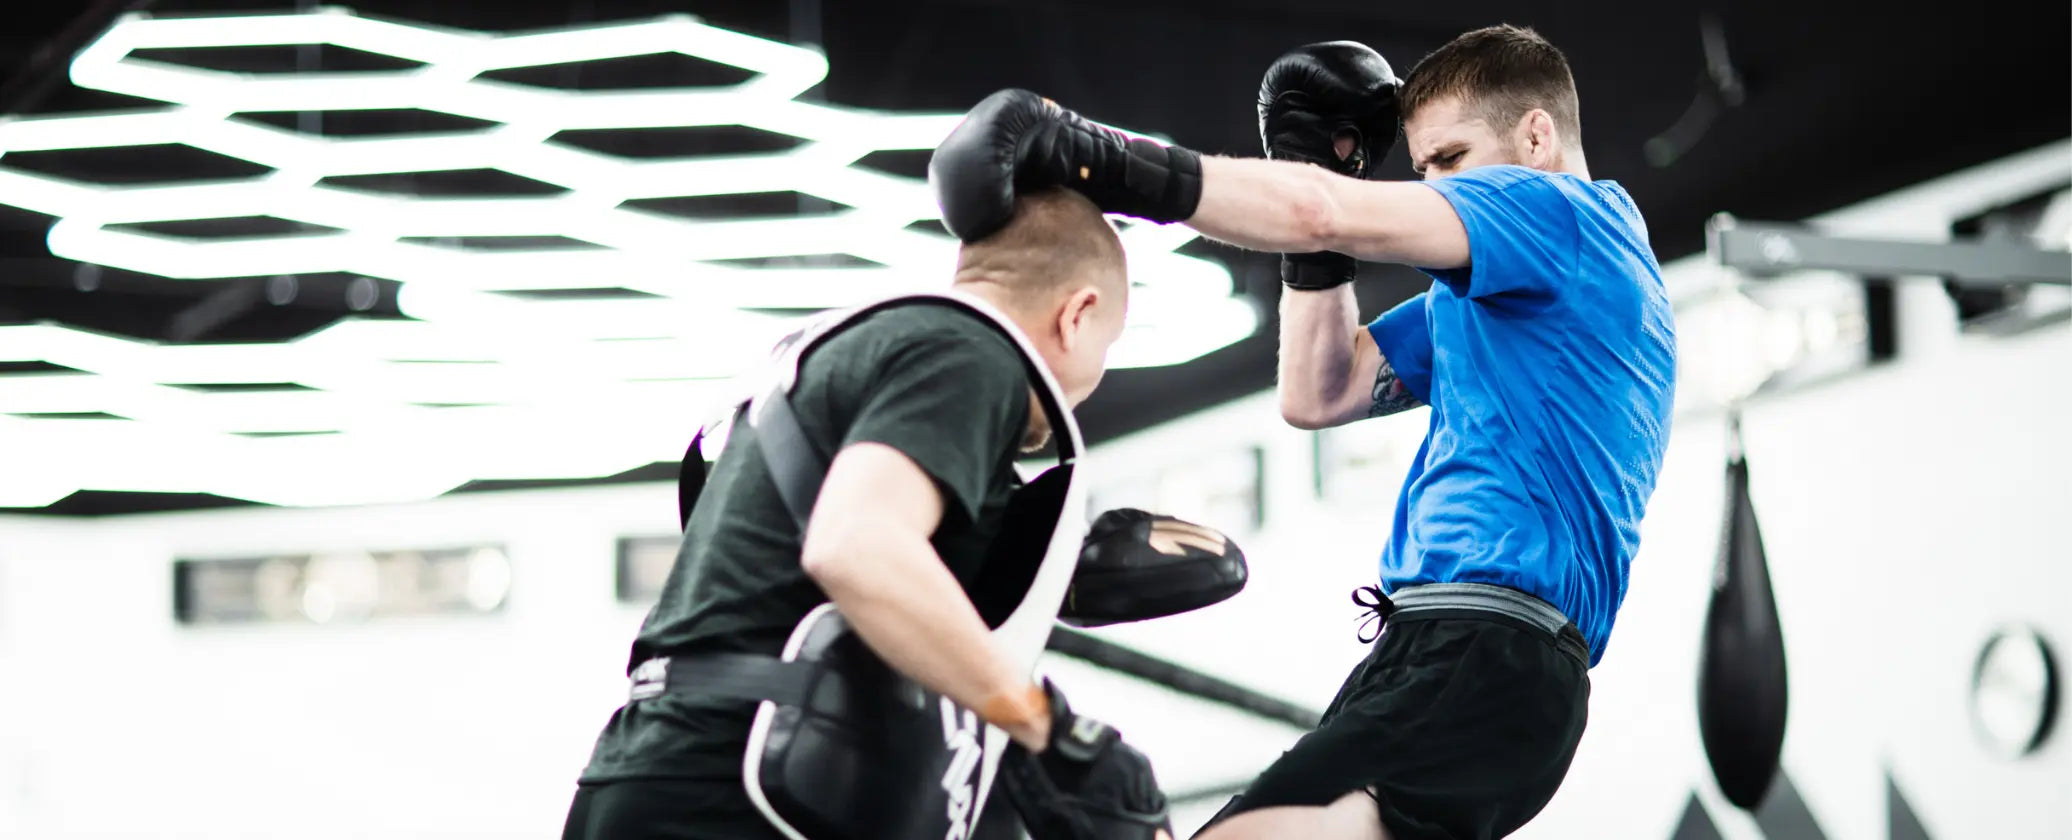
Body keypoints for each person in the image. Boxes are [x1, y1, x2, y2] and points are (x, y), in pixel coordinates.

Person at [930, 23, 1676, 840]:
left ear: (1536, 135)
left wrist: (1092, 157)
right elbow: (1318, 392)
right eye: (1422, 169)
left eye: (1451, 160)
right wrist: (1313, 206)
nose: (1435, 188)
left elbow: (1322, 212)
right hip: (1449, 655)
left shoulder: (1564, 217)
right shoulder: (1510, 300)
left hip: (1486, 653)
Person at [561, 187, 1177, 840]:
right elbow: (856, 545)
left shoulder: (856, 350)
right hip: (729, 796)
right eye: (1108, 347)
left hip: (658, 773)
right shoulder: (974, 354)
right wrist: (1052, 732)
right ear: (1078, 315)